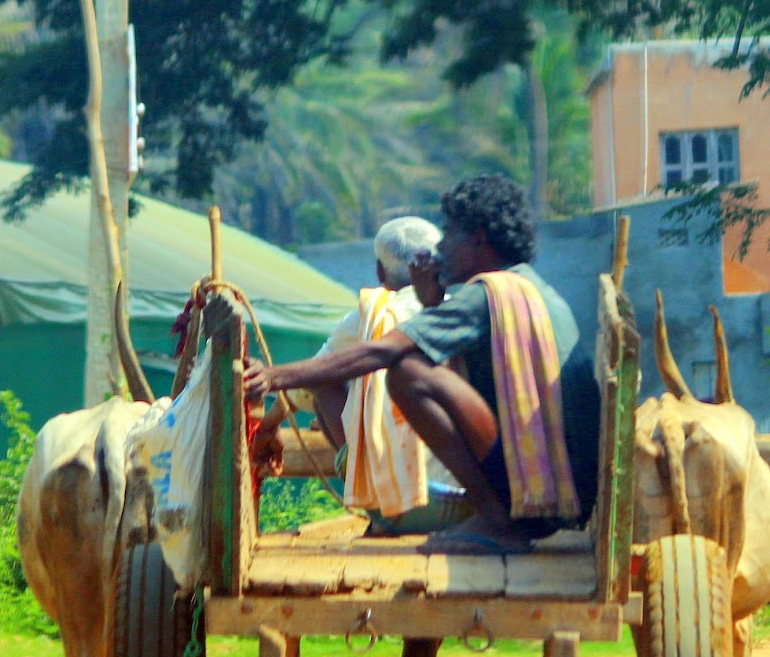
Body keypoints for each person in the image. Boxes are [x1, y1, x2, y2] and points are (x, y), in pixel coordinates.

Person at [246, 175, 598, 553]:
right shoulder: (526, 286)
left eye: (450, 235)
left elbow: (382, 353)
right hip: (569, 485)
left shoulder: (484, 296)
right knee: (418, 366)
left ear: (479, 240)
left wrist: (271, 376)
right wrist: (432, 303)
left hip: (543, 494)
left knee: (408, 373)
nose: (442, 247)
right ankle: (493, 514)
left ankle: (496, 520)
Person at [251, 216, 472, 535]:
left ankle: (376, 498)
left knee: (325, 377)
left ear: (381, 272)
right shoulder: (459, 312)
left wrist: (269, 425)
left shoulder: (370, 314)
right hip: (465, 500)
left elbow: (306, 382)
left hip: (399, 504)